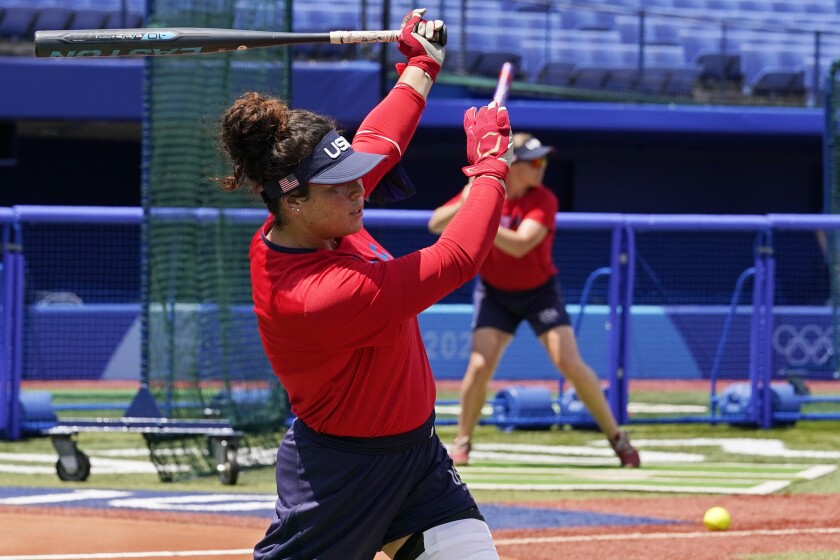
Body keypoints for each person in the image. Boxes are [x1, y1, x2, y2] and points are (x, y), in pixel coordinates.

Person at [217, 9, 513, 560]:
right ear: (293, 199)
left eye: (353, 173)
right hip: (339, 477)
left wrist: (421, 66)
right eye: (338, 183)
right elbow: (457, 256)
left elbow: (381, 137)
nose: (357, 188)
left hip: (415, 458)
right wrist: (492, 169)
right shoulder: (318, 295)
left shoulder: (319, 217)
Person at [427, 132, 641, 469]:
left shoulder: (543, 200)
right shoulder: (485, 193)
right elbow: (435, 224)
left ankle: (617, 437)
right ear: (512, 166)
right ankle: (462, 443)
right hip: (494, 291)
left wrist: (479, 216)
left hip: (539, 291)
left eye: (543, 160)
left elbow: (519, 245)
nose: (542, 168)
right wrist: (469, 200)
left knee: (568, 362)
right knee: (480, 366)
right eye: (534, 161)